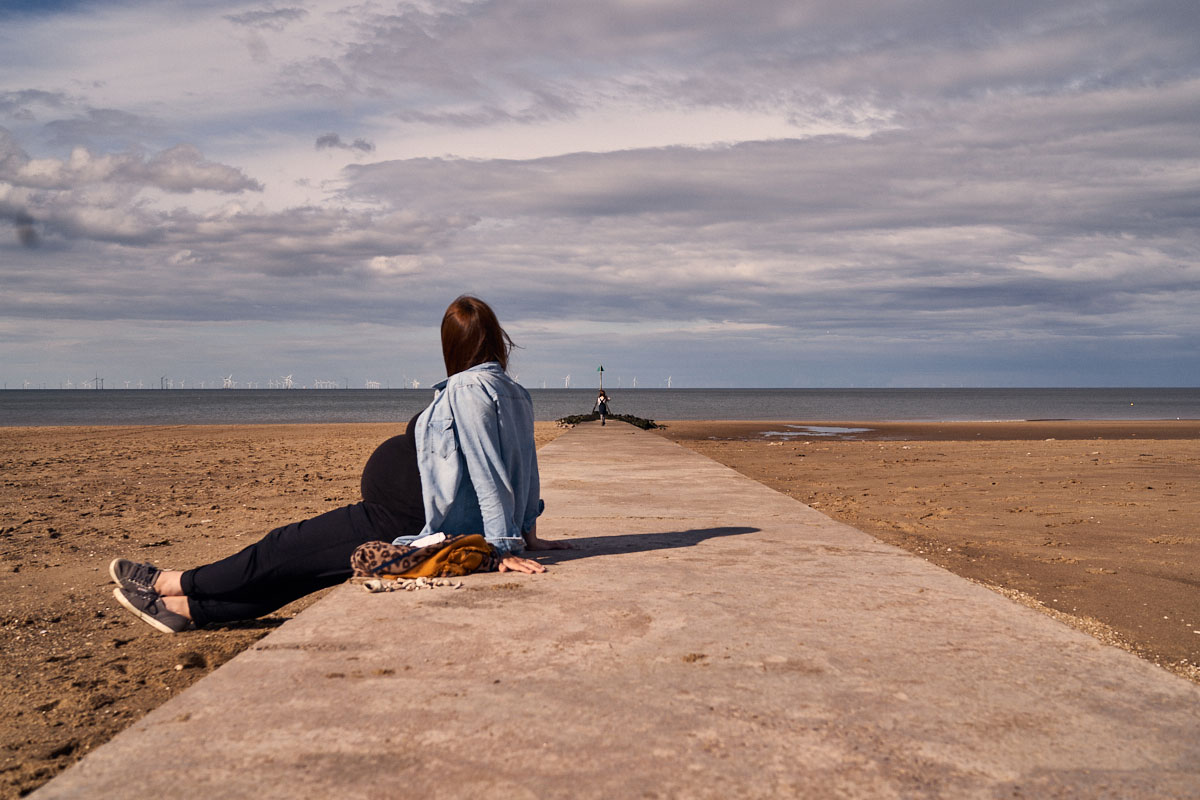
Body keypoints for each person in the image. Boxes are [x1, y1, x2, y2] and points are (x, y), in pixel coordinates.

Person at [110, 296, 567, 634]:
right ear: (495, 338)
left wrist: (504, 548)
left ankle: (170, 582)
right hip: (404, 512)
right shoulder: (512, 390)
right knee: (301, 570)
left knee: (280, 549)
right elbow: (524, 466)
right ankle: (186, 611)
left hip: (402, 518)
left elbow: (491, 470)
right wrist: (526, 527)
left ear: (452, 344)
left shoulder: (467, 388)